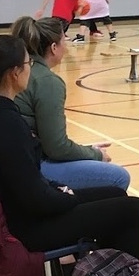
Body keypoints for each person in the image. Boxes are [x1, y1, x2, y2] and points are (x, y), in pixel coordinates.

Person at [0, 33, 139, 264]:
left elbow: (28, 183)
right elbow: (37, 200)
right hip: (24, 229)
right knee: (133, 210)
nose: (30, 69)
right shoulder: (6, 124)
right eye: (28, 64)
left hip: (13, 211)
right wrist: (69, 195)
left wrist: (63, 191)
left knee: (114, 193)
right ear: (14, 73)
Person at [13, 17, 130, 190]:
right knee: (118, 177)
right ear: (54, 48)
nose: (66, 47)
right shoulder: (47, 81)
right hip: (27, 167)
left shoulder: (20, 68)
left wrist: (86, 151)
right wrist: (95, 155)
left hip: (12, 158)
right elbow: (56, 148)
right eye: (63, 41)